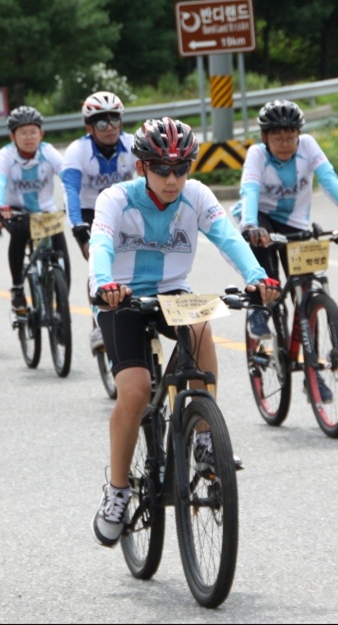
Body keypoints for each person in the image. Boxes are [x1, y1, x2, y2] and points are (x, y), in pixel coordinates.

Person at [89, 117, 281, 546]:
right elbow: (100, 242)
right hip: (121, 297)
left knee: (201, 325)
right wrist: (104, 285)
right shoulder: (115, 198)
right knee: (136, 390)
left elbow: (227, 237)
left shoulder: (195, 195)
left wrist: (256, 276)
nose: (172, 179)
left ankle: (203, 435)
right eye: (162, 169)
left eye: (181, 168)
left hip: (174, 292)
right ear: (142, 167)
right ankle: (117, 490)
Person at [235, 99, 338, 350]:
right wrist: (249, 225)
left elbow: (329, 180)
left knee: (304, 292)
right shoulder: (257, 154)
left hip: (294, 222)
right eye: (278, 138)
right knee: (269, 272)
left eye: (291, 137)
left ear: (299, 134)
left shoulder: (308, 146)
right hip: (259, 216)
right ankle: (258, 309)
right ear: (264, 137)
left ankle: (312, 371)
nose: (285, 144)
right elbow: (250, 189)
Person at [62, 91, 136, 356]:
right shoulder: (77, 150)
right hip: (89, 212)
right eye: (102, 123)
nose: (110, 128)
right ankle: (97, 323)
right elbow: (70, 192)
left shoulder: (133, 145)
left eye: (114, 120)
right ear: (89, 127)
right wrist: (78, 228)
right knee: (99, 262)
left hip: (123, 209)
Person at [0, 106, 68, 313]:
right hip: (16, 211)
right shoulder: (5, 155)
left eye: (33, 132)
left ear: (41, 134)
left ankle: (61, 312)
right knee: (19, 232)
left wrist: (73, 200)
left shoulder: (48, 151)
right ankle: (17, 289)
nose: (28, 137)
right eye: (22, 133)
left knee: (63, 261)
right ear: (12, 136)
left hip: (45, 212)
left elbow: (67, 175)